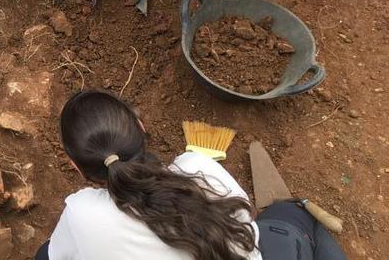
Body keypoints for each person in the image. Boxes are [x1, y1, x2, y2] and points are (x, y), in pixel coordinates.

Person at [38, 90, 346, 260]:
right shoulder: (199, 169)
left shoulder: (82, 215)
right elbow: (247, 224)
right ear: (141, 127)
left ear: (75, 166)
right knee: (290, 212)